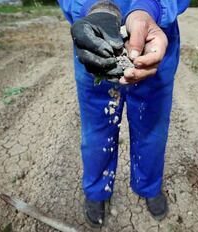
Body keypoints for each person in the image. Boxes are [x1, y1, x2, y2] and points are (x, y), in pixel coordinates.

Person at [57, 0, 190, 227]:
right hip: (97, 35)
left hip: (153, 37)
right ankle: (97, 191)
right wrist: (97, 6)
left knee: (152, 128)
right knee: (96, 130)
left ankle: (148, 186)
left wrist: (149, 7)